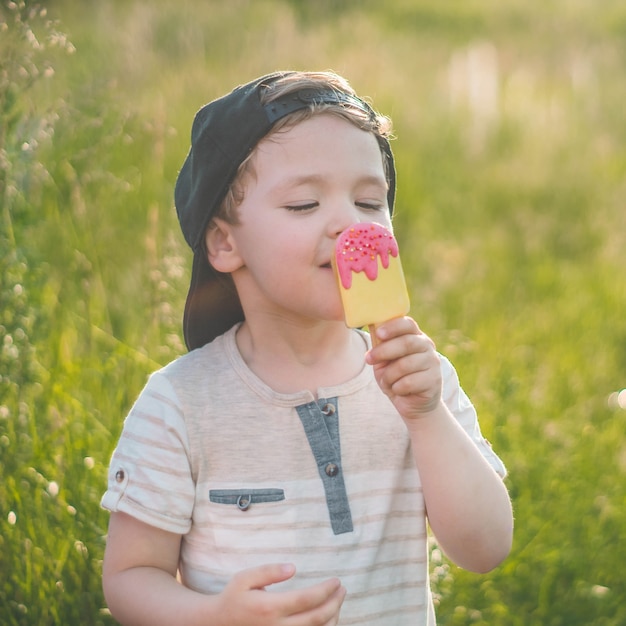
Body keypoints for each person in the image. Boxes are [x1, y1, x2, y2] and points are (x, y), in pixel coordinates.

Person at [101, 70, 513, 626]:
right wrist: (215, 616)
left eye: (370, 201)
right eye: (303, 205)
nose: (348, 223)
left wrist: (427, 416)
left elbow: (485, 548)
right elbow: (130, 579)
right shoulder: (181, 404)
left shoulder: (422, 382)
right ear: (225, 241)